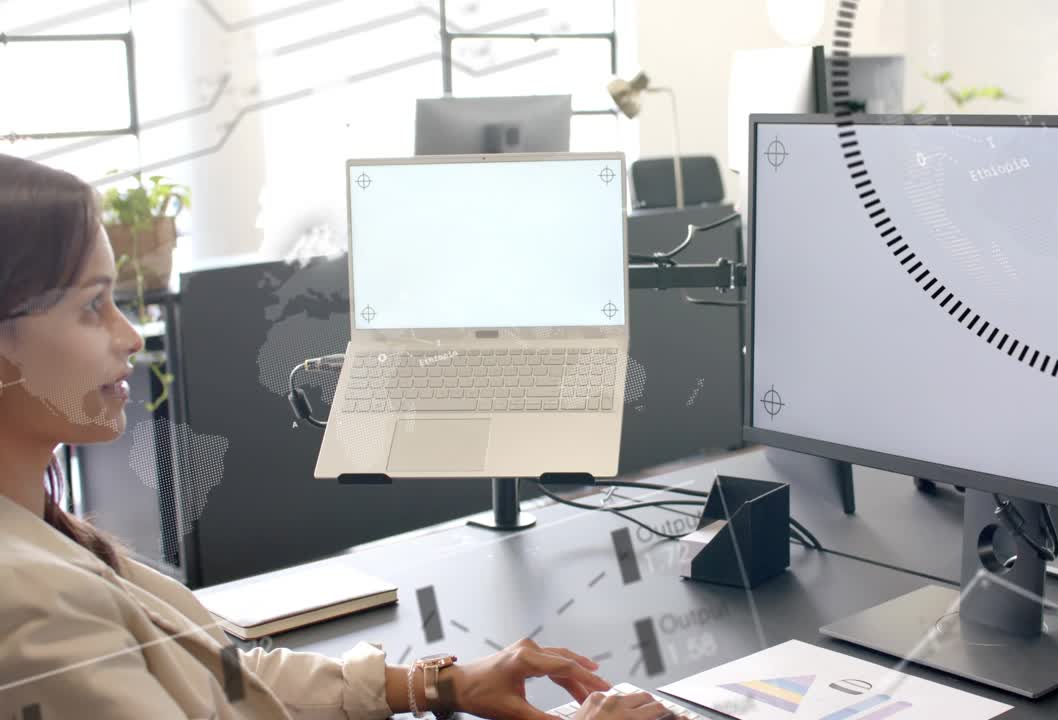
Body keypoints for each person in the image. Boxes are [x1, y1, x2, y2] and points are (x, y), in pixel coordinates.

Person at [0, 154, 673, 720]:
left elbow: (229, 679)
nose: (125, 337)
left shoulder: (47, 540)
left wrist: (439, 684)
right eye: (93, 306)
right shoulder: (33, 605)